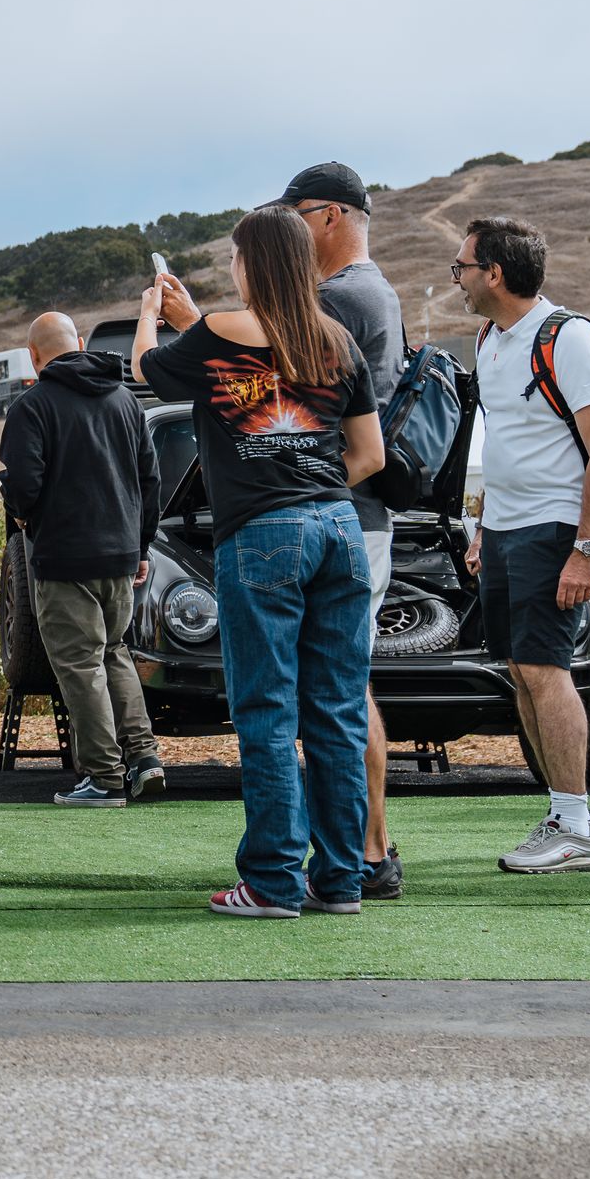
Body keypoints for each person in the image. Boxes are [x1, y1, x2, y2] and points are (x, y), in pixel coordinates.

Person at [134, 207, 382, 918]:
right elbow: (370, 455)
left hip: (264, 536)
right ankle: (339, 882)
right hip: (338, 528)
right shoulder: (337, 341)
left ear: (249, 263)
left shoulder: (216, 332)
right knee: (336, 714)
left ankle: (272, 882)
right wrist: (309, 480)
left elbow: (149, 370)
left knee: (267, 713)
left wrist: (154, 311)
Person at [453, 216, 590, 873]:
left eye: (461, 268)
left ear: (494, 273)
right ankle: (565, 813)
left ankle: (576, 828)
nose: (457, 280)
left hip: (555, 529)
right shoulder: (488, 337)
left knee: (546, 672)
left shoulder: (569, 337)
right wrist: (485, 528)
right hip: (505, 533)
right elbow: (506, 444)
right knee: (522, 672)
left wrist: (586, 549)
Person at [0, 311, 163, 807]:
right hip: (120, 556)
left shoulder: (33, 406)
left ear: (33, 355)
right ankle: (145, 758)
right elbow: (149, 480)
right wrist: (141, 546)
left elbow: (21, 483)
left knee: (80, 663)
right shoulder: (125, 401)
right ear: (83, 342)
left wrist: (26, 516)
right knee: (114, 653)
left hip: (64, 557)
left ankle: (104, 777)